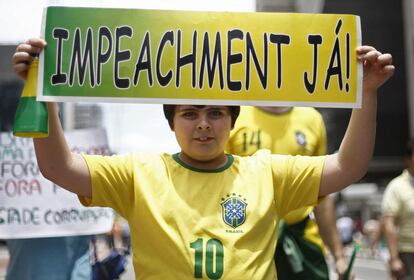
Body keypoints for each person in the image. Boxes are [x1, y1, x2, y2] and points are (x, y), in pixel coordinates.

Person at [11, 37, 394, 279]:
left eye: (215, 113)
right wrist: (44, 93)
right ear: (172, 122)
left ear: (232, 121)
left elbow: (348, 167)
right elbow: (57, 167)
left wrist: (368, 92)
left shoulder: (267, 171)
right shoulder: (138, 172)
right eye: (189, 114)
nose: (203, 125)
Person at [227, 106, 348, 279]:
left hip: (302, 242)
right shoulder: (234, 115)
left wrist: (339, 255)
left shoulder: (312, 119)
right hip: (248, 244)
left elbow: (321, 195)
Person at [382, 140, 414, 280]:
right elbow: (389, 224)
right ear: (409, 158)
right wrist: (394, 259)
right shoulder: (397, 186)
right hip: (407, 253)